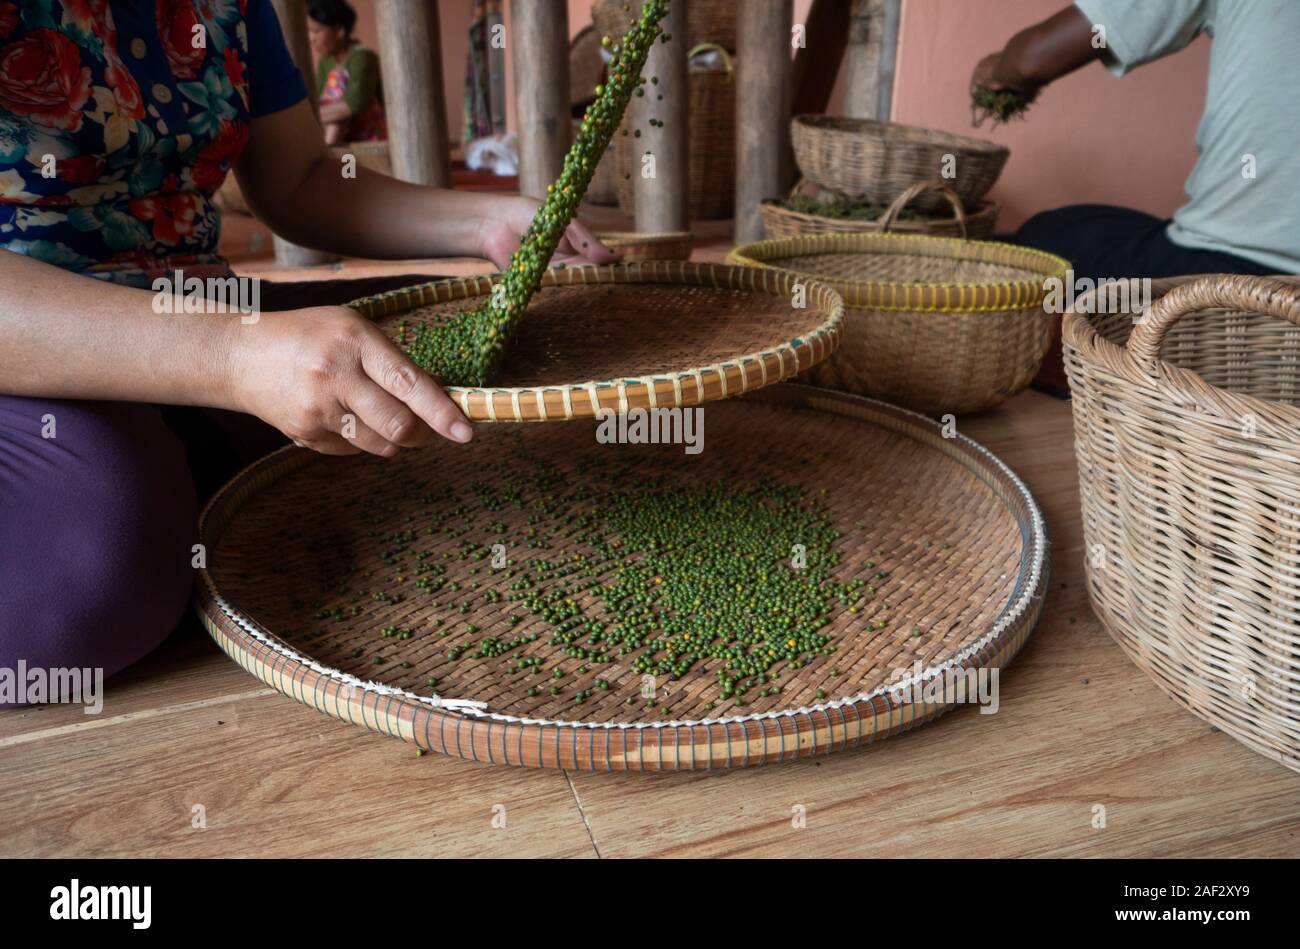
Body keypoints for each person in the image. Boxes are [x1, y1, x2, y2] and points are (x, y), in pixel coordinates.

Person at [0, 0, 616, 702]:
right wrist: (235, 358)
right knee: (90, 571)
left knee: (500, 345)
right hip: (38, 342)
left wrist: (489, 222)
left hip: (205, 300)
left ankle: (195, 458)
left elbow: (301, 181)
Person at [975, 0, 1296, 282]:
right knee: (1087, 225)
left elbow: (1033, 57)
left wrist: (992, 73)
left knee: (1040, 240)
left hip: (1231, 270)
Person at [307, 0, 385, 144]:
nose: (311, 39)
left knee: (337, 112)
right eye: (309, 32)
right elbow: (319, 98)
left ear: (339, 31)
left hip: (367, 135)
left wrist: (309, 117)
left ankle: (328, 153)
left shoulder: (363, 57)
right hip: (337, 130)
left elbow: (353, 105)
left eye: (317, 31)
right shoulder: (326, 62)